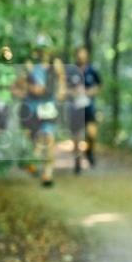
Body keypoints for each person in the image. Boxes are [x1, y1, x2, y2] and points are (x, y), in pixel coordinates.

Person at [22, 36, 66, 187]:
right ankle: (33, 161)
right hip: (33, 109)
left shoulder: (56, 65)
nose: (43, 52)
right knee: (36, 141)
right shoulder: (30, 66)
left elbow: (61, 84)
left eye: (46, 48)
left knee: (48, 138)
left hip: (49, 108)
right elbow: (25, 86)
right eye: (41, 49)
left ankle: (47, 174)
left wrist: (60, 93)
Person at [66, 45, 102, 174]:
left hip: (89, 106)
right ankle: (77, 161)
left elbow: (99, 85)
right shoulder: (71, 71)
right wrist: (73, 92)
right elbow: (63, 88)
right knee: (76, 135)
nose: (81, 56)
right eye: (79, 53)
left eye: (83, 53)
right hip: (75, 107)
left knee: (91, 133)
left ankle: (89, 152)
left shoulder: (92, 70)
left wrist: (89, 92)